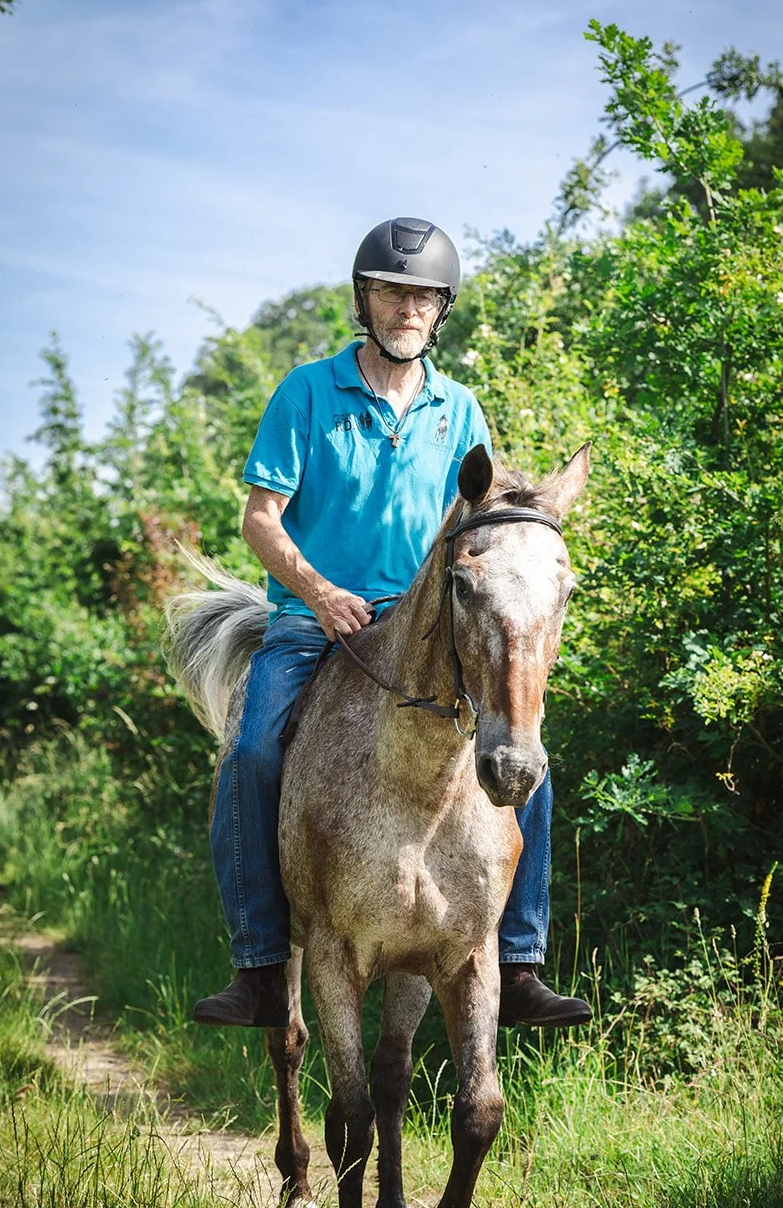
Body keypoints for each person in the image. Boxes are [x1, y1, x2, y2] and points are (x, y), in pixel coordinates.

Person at [193, 216, 591, 1032]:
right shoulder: (305, 392)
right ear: (363, 301)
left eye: (423, 296)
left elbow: (477, 524)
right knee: (251, 750)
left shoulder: (460, 407)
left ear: (439, 312)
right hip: (316, 622)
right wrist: (316, 588)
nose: (407, 308)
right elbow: (260, 519)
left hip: (426, 630)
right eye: (392, 292)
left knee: (524, 753)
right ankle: (261, 965)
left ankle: (518, 963)